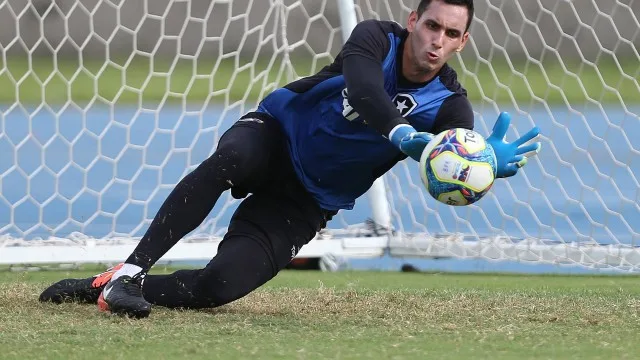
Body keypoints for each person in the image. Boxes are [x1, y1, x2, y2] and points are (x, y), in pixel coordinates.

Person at [39, 0, 540, 318]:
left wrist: (485, 162)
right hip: (278, 134)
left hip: (310, 196)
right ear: (414, 19)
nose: (437, 41)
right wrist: (404, 134)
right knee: (230, 157)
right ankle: (130, 268)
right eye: (432, 25)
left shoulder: (452, 105)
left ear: (463, 41)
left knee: (222, 285)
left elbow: (454, 159)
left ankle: (116, 289)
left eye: (452, 34)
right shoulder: (374, 37)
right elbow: (365, 89)